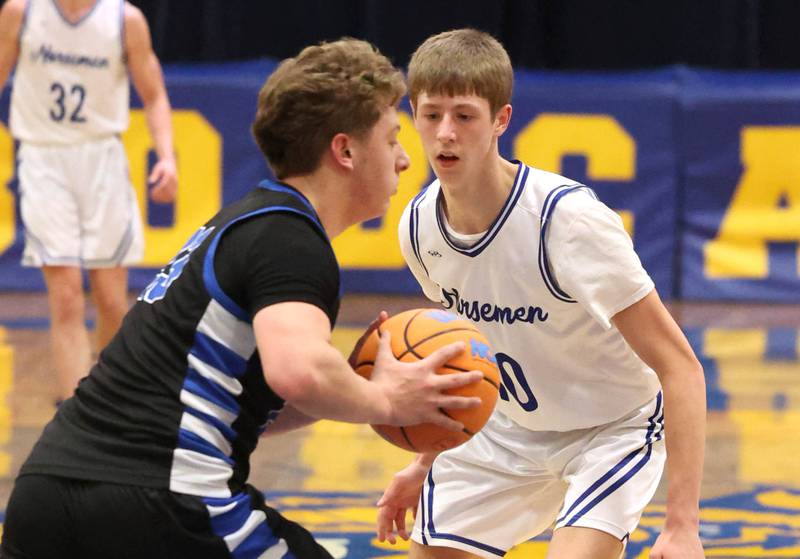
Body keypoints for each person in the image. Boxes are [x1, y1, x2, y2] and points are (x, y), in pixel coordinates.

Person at [0, 38, 486, 559]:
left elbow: (239, 402)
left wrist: (355, 383)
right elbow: (298, 373)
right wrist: (389, 399)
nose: (406, 160)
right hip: (158, 495)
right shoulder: (290, 240)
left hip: (47, 492)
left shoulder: (245, 223)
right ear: (345, 150)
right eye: (392, 139)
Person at [376, 29, 706, 559]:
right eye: (431, 114)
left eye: (464, 116)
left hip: (610, 428)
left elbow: (681, 367)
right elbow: (467, 357)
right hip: (505, 429)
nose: (445, 134)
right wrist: (422, 460)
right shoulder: (419, 226)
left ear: (501, 120)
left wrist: (682, 526)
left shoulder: (567, 222)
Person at [0, 0, 178, 401]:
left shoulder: (124, 19)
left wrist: (166, 157)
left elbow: (154, 96)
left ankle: (109, 398)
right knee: (64, 297)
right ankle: (74, 411)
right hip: (43, 157)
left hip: (102, 159)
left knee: (111, 299)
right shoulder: (22, 12)